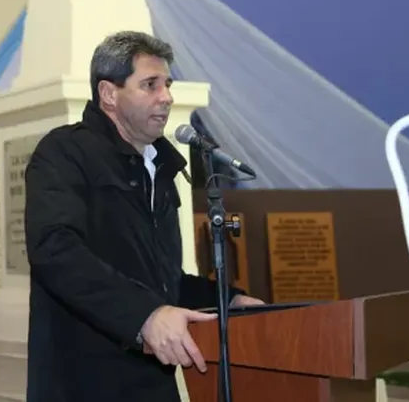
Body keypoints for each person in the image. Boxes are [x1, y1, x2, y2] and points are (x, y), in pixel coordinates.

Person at [23, 31, 265, 402]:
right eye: (150, 85)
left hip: (152, 381)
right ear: (108, 93)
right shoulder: (64, 153)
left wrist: (228, 300)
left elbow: (160, 279)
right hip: (83, 380)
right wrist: (145, 316)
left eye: (167, 84)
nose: (166, 97)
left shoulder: (161, 167)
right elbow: (55, 251)